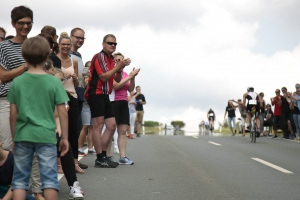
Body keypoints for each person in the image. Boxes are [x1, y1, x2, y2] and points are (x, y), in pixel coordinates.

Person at [7, 36, 69, 200]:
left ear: (24, 56)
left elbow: (13, 114)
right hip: (46, 135)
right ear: (46, 56)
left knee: (20, 180)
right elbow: (62, 112)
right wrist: (65, 138)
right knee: (49, 179)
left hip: (23, 135)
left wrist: (14, 138)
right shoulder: (54, 82)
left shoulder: (18, 82)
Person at [85, 34, 131, 168]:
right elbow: (103, 77)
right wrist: (118, 67)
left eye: (115, 44)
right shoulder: (99, 57)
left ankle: (103, 155)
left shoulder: (112, 59)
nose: (112, 45)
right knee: (98, 125)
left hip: (105, 94)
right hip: (96, 93)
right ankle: (99, 158)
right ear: (103, 44)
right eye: (110, 43)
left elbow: (116, 80)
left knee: (111, 125)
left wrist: (119, 69)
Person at [0, 5, 32, 151]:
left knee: (30, 144)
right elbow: (3, 76)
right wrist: (25, 66)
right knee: (8, 145)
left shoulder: (35, 46)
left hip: (32, 99)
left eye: (29, 23)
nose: (25, 26)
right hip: (8, 98)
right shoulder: (4, 47)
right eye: (21, 23)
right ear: (13, 24)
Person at [57, 32, 84, 173]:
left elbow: (76, 82)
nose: (66, 47)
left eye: (68, 44)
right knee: (60, 130)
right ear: (59, 45)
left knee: (74, 130)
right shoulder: (54, 59)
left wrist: (73, 77)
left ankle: (75, 163)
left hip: (72, 95)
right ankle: (59, 163)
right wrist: (62, 77)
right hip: (58, 97)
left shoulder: (73, 61)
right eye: (63, 44)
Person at [109, 52, 140, 165]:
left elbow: (130, 89)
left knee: (122, 132)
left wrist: (132, 78)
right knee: (110, 130)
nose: (119, 62)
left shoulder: (126, 74)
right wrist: (129, 77)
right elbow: (116, 86)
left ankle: (123, 157)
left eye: (121, 60)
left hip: (123, 104)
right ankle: (107, 156)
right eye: (116, 60)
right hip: (113, 102)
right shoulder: (111, 72)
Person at [78, 61, 96, 154]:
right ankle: (80, 147)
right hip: (85, 104)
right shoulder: (84, 77)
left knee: (92, 127)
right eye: (87, 67)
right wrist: (87, 75)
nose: (89, 69)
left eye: (91, 67)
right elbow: (85, 85)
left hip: (93, 104)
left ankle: (90, 147)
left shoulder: (94, 77)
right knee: (85, 126)